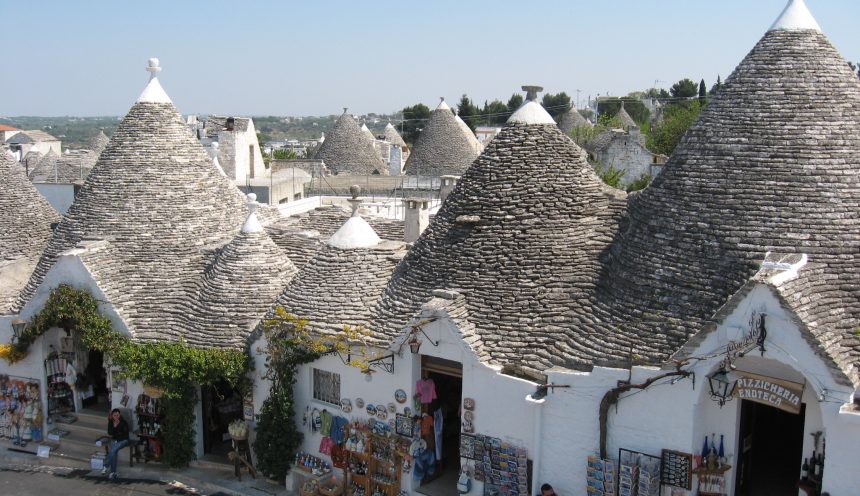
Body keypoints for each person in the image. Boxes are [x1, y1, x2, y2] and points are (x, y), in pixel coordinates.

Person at [104, 408, 129, 480]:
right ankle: (113, 472)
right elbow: (110, 433)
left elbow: (125, 433)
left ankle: (105, 465)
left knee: (113, 449)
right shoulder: (111, 422)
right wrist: (114, 427)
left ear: (120, 415)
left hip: (123, 440)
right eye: (114, 415)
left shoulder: (123, 422)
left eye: (117, 415)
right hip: (115, 440)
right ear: (112, 416)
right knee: (114, 452)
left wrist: (119, 424)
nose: (116, 417)